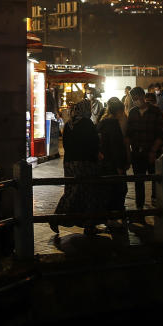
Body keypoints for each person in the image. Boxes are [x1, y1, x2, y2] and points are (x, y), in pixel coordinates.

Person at [52, 99, 102, 235]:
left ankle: (57, 218)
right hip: (85, 163)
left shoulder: (68, 124)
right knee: (89, 193)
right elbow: (93, 143)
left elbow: (66, 145)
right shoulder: (87, 123)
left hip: (69, 163)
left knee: (71, 191)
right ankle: (88, 224)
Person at [126, 87, 163, 212]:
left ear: (143, 97)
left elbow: (161, 134)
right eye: (134, 99)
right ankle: (139, 205)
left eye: (137, 98)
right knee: (139, 180)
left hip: (153, 152)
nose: (136, 101)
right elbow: (129, 133)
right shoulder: (132, 112)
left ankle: (156, 200)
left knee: (155, 178)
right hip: (137, 152)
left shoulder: (156, 111)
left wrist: (153, 151)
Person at [97, 98, 130, 230]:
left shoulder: (101, 122)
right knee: (120, 190)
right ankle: (118, 215)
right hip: (113, 163)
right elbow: (117, 147)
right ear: (119, 111)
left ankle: (108, 216)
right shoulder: (113, 124)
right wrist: (120, 166)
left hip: (103, 162)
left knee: (107, 190)